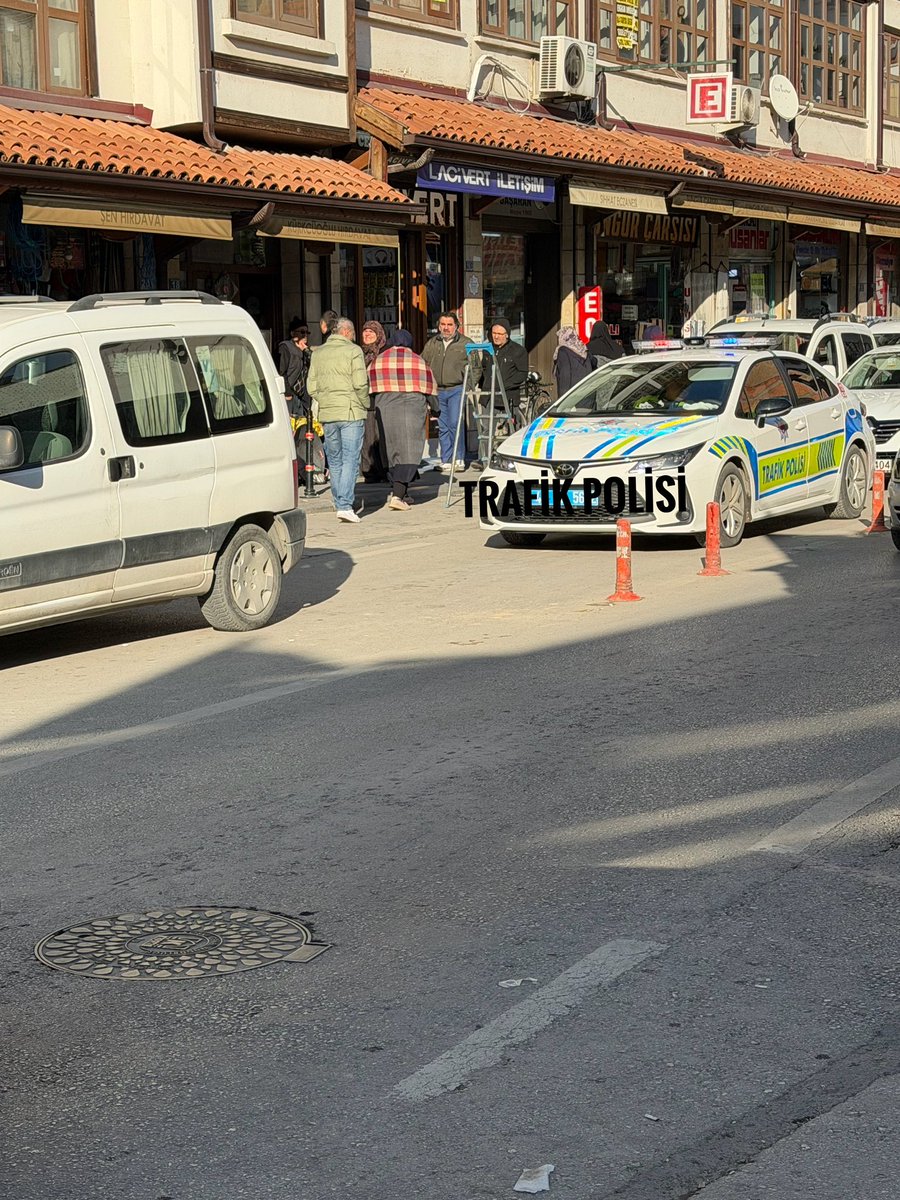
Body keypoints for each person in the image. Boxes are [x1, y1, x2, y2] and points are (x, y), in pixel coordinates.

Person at [306, 316, 370, 523]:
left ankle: (339, 500)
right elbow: (360, 383)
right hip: (351, 411)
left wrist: (325, 400)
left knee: (334, 459)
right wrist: (365, 403)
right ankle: (344, 504)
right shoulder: (354, 351)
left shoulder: (318, 353)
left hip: (328, 413)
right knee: (350, 458)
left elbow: (311, 387)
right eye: (353, 333)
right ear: (346, 332)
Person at [369, 329, 437, 511]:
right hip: (412, 408)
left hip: (385, 407)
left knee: (391, 449)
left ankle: (401, 493)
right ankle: (398, 496)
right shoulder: (418, 360)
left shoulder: (380, 359)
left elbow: (369, 384)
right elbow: (429, 387)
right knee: (409, 450)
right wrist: (436, 408)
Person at [422, 311, 472, 473]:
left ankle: (459, 458)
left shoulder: (465, 343)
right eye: (443, 324)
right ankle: (446, 459)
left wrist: (468, 386)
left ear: (456, 326)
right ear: (438, 326)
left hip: (457, 388)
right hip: (438, 390)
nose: (446, 328)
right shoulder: (432, 343)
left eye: (450, 325)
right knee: (443, 426)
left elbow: (476, 367)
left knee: (455, 423)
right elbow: (423, 363)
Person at [480, 317, 529, 422]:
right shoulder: (487, 350)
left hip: (508, 397)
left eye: (499, 334)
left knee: (512, 429)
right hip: (488, 397)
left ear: (507, 335)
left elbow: (522, 373)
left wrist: (504, 384)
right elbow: (483, 369)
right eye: (494, 333)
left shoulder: (518, 351)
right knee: (486, 430)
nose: (496, 336)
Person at [359, 319, 388, 482]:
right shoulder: (358, 353)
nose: (367, 334)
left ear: (379, 334)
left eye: (371, 331)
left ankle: (385, 469)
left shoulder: (384, 353)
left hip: (382, 399)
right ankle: (369, 471)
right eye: (365, 331)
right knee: (368, 438)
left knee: (381, 436)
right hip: (365, 400)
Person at [276, 317, 311, 419]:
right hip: (290, 394)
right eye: (302, 332)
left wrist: (307, 351)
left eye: (307, 332)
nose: (305, 335)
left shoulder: (306, 350)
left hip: (302, 398)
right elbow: (281, 371)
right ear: (292, 333)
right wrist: (287, 393)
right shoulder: (285, 347)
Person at [552, 326, 594, 397]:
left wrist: (562, 398)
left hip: (573, 397)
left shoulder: (563, 351)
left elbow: (565, 377)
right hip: (587, 394)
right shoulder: (584, 350)